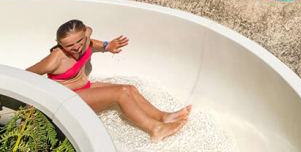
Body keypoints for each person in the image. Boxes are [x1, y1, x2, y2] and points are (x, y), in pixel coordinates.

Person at [27, 20, 190, 143]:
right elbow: (26, 75)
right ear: (59, 44)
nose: (77, 47)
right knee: (121, 93)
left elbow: (90, 43)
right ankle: (156, 129)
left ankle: (163, 117)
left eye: (80, 41)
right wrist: (34, 104)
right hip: (70, 98)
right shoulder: (54, 59)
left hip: (85, 88)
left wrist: (107, 45)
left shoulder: (85, 39)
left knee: (130, 88)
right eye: (69, 45)